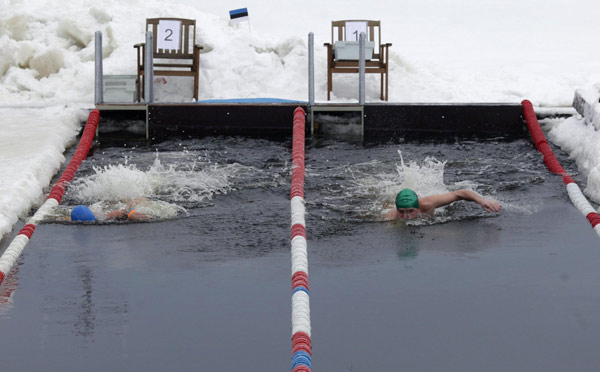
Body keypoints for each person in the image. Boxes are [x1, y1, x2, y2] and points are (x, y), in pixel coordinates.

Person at [385, 188, 501, 220]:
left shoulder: (427, 204)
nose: (406, 217)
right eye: (401, 211)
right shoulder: (391, 217)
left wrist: (482, 201)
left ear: (417, 207)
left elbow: (459, 193)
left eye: (411, 211)